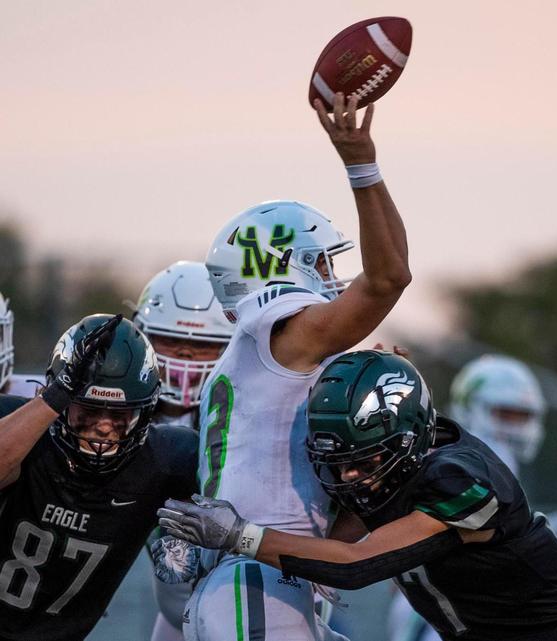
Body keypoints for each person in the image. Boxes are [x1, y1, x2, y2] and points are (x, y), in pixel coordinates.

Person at [159, 350, 557, 641]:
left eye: (363, 459)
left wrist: (241, 535)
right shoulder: (400, 454)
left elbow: (356, 562)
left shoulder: (460, 479)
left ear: (407, 441)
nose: (348, 473)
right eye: (337, 458)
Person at [179, 91, 411, 641]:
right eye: (323, 262)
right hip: (259, 579)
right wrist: (362, 163)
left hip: (267, 574)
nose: (333, 277)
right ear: (285, 267)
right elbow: (389, 279)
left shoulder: (258, 358)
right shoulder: (278, 328)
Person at [0, 314, 198, 641]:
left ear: (145, 410)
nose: (104, 425)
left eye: (120, 414)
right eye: (88, 409)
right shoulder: (22, 432)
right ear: (59, 400)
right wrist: (56, 395)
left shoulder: (165, 460)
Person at [388, 355, 557, 641]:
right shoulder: (474, 461)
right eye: (505, 414)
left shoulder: (458, 456)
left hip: (442, 602)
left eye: (522, 416)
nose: (515, 427)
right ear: (470, 406)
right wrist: (549, 531)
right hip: (447, 607)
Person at [133, 261, 234, 641]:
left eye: (204, 344)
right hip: (176, 612)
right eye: (169, 341)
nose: (186, 357)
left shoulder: (249, 407)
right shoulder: (112, 411)